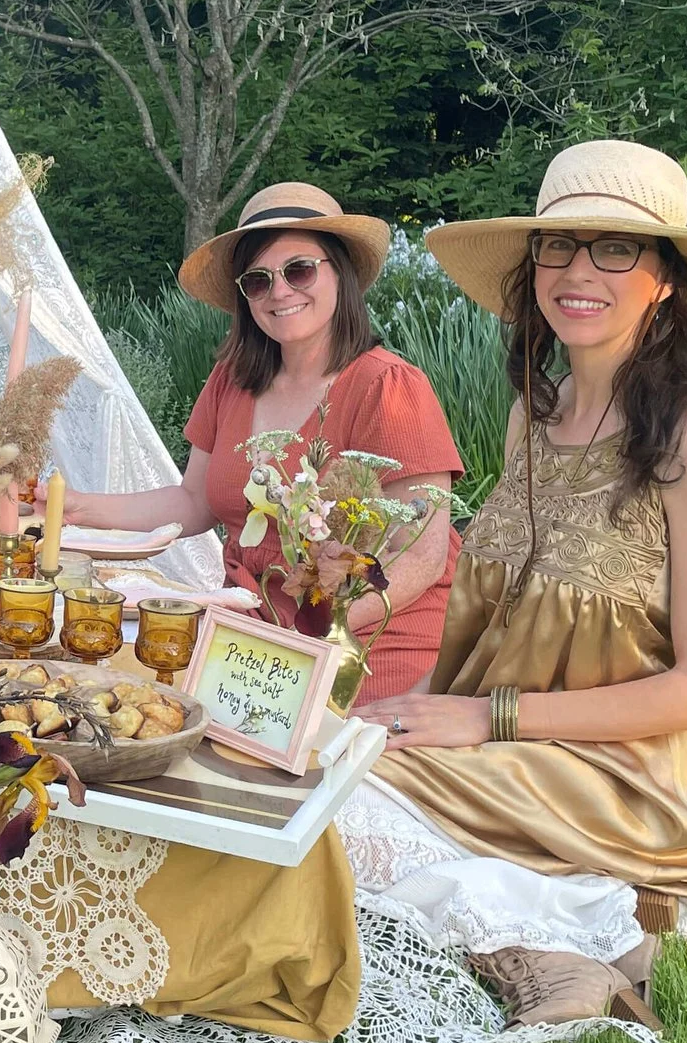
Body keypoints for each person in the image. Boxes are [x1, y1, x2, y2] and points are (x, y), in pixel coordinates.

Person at [342, 140, 687, 1029]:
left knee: (340, 811)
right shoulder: (531, 419)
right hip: (505, 753)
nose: (577, 272)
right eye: (558, 246)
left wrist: (489, 719)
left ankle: (559, 943)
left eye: (615, 248)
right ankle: (573, 915)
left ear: (667, 279)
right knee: (316, 769)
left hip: (630, 774)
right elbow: (507, 617)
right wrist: (410, 692)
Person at [60, 182, 463, 697]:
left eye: (299, 270)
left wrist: (314, 638)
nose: (280, 291)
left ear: (340, 273)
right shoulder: (232, 380)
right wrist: (74, 507)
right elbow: (193, 502)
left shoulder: (388, 386)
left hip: (365, 645)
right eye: (258, 280)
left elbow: (422, 557)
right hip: (254, 637)